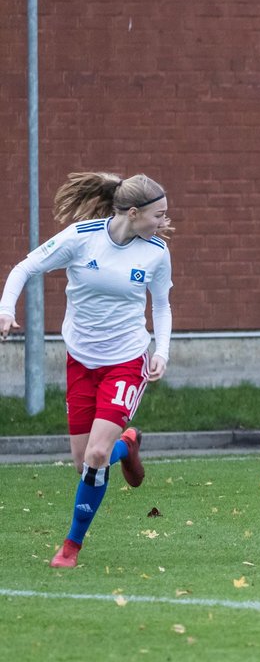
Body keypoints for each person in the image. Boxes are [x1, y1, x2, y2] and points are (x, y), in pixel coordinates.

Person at [0, 172, 173, 569]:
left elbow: (161, 305)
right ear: (133, 212)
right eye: (158, 215)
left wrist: (161, 350)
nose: (164, 222)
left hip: (128, 360)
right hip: (80, 360)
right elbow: (24, 268)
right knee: (84, 463)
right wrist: (6, 310)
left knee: (95, 456)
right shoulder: (81, 237)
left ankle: (70, 548)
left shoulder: (156, 252)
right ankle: (126, 446)